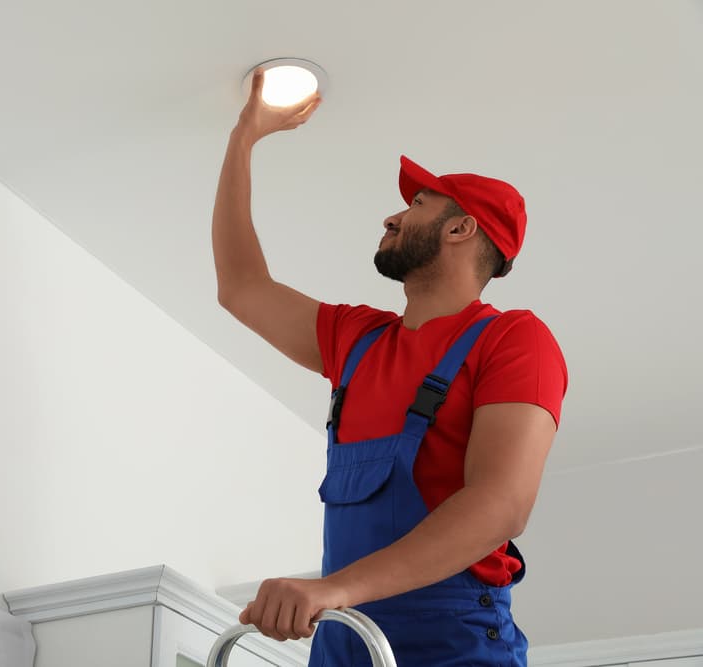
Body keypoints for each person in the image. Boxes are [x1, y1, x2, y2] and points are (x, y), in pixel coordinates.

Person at [212, 67, 567, 666]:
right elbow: (241, 286)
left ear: (461, 228)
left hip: (451, 640)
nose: (392, 217)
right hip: (343, 634)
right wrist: (242, 139)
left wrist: (334, 589)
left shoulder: (514, 339)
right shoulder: (357, 339)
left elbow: (500, 505)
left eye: (418, 204)